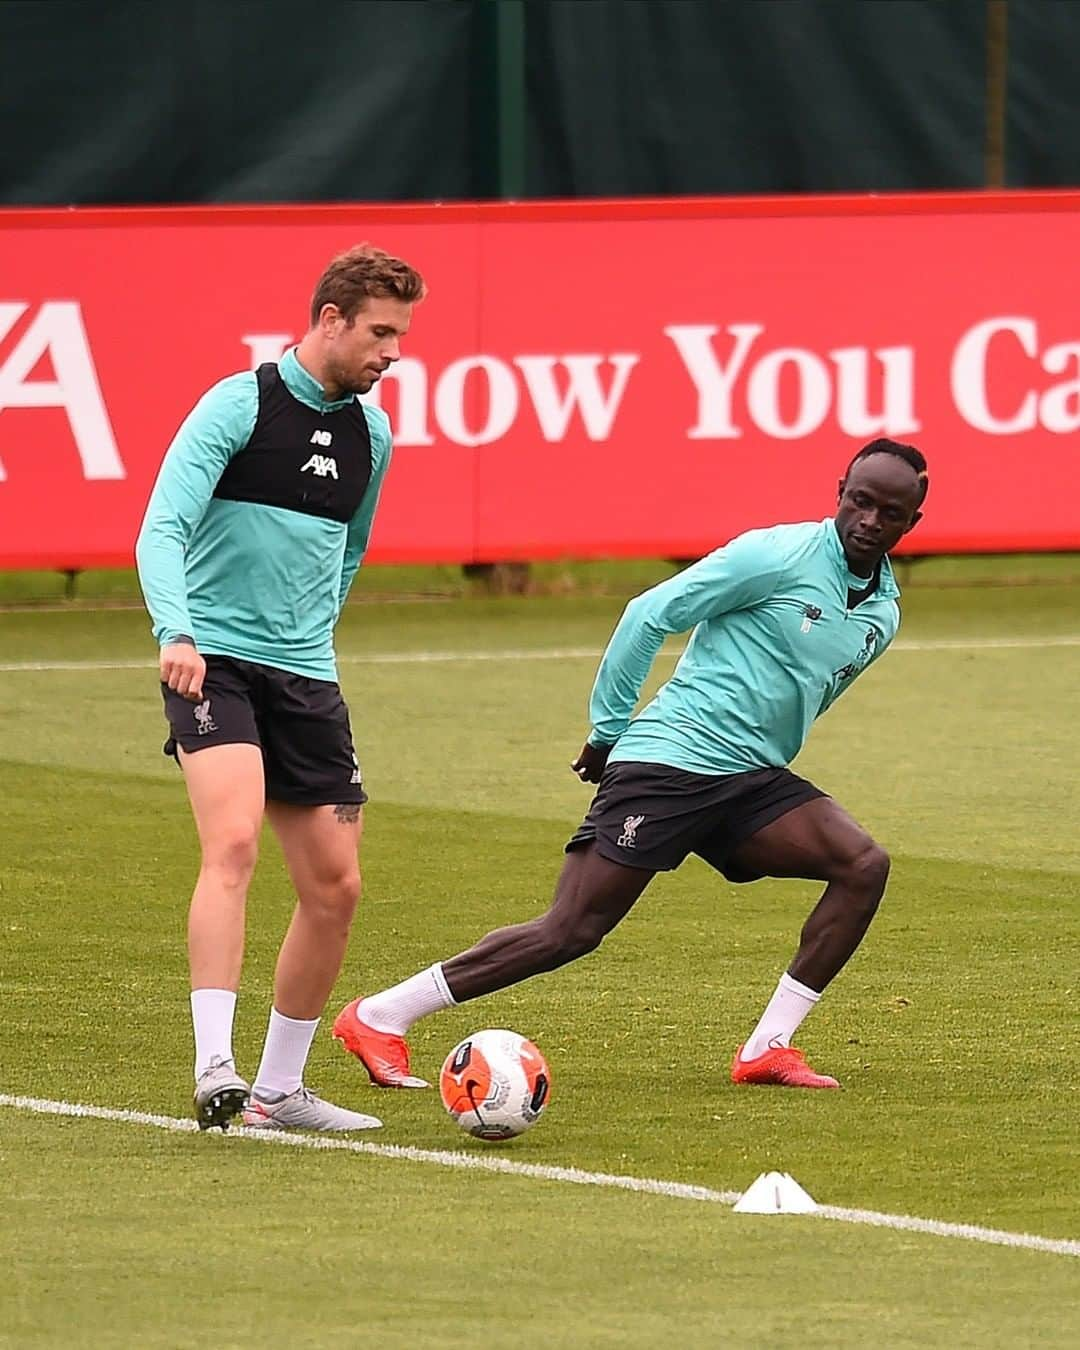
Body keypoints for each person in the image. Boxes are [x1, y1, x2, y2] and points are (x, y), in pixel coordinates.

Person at [332, 438, 928, 1091]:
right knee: (571, 930)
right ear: (838, 490)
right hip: (672, 763)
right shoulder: (775, 555)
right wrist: (609, 731)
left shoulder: (882, 615)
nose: (869, 521)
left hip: (750, 778)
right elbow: (648, 614)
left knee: (862, 865)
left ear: (911, 523)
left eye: (888, 512)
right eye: (859, 501)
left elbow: (812, 695)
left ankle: (768, 1047)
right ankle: (380, 1016)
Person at [135, 243, 426, 1130]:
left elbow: (352, 551)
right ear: (330, 319)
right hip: (211, 663)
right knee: (232, 846)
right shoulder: (239, 403)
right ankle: (214, 1067)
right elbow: (162, 528)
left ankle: (279, 1089)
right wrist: (176, 633)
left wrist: (314, 638)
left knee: (335, 887)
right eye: (380, 332)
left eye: (403, 336)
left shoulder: (373, 433)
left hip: (305, 677)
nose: (394, 353)